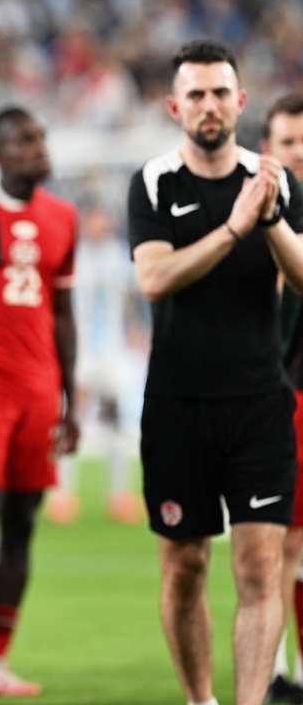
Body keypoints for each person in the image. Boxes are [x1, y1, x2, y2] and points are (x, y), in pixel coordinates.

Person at [129, 39, 303, 705]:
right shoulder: (153, 182)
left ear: (241, 101)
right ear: (175, 106)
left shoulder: (277, 183)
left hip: (260, 401)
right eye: (196, 94)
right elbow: (154, 277)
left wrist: (272, 219)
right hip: (177, 402)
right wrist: (232, 229)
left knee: (260, 567)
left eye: (220, 92)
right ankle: (201, 700)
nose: (209, 105)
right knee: (186, 562)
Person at [0, 106, 79, 697]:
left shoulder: (64, 217)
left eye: (40, 136)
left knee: (22, 527)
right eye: (25, 140)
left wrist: (70, 401)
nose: (39, 146)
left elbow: (64, 313)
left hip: (38, 393)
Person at [259, 92, 303, 705]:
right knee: (281, 541)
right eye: (290, 142)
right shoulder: (257, 212)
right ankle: (276, 673)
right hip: (285, 392)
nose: (299, 153)